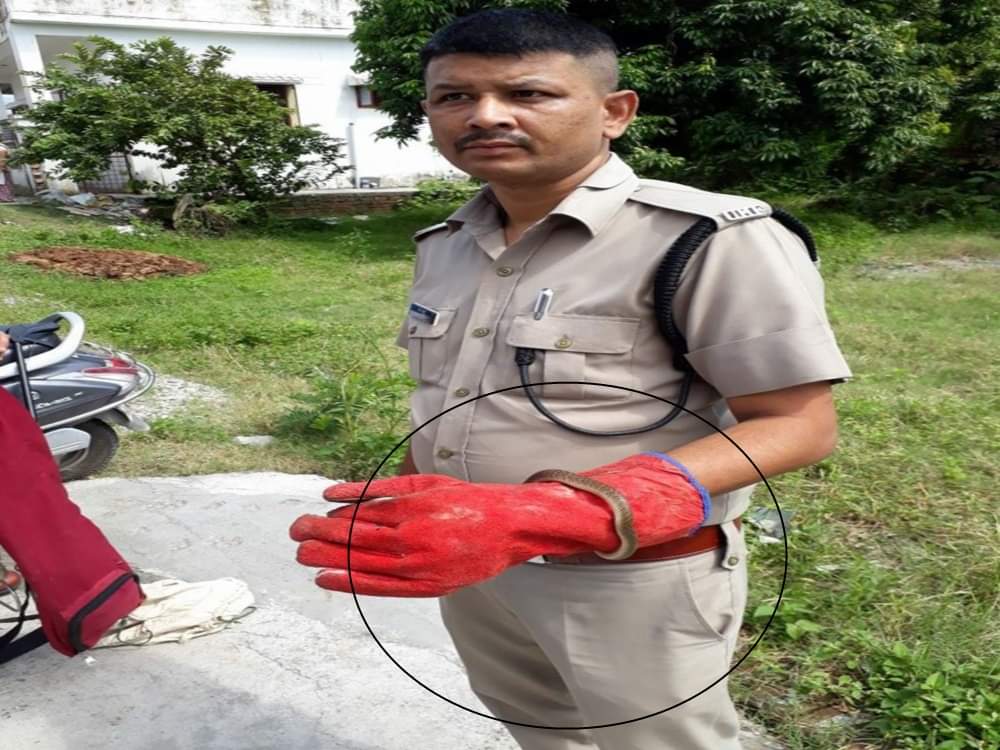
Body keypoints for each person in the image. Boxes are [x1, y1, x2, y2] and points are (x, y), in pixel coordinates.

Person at [291, 9, 851, 750]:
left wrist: (547, 517)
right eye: (454, 97)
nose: (486, 115)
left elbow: (798, 425)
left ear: (614, 112)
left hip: (628, 578)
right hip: (477, 569)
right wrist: (409, 506)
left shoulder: (708, 239)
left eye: (529, 94)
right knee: (539, 730)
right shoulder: (449, 244)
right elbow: (451, 397)